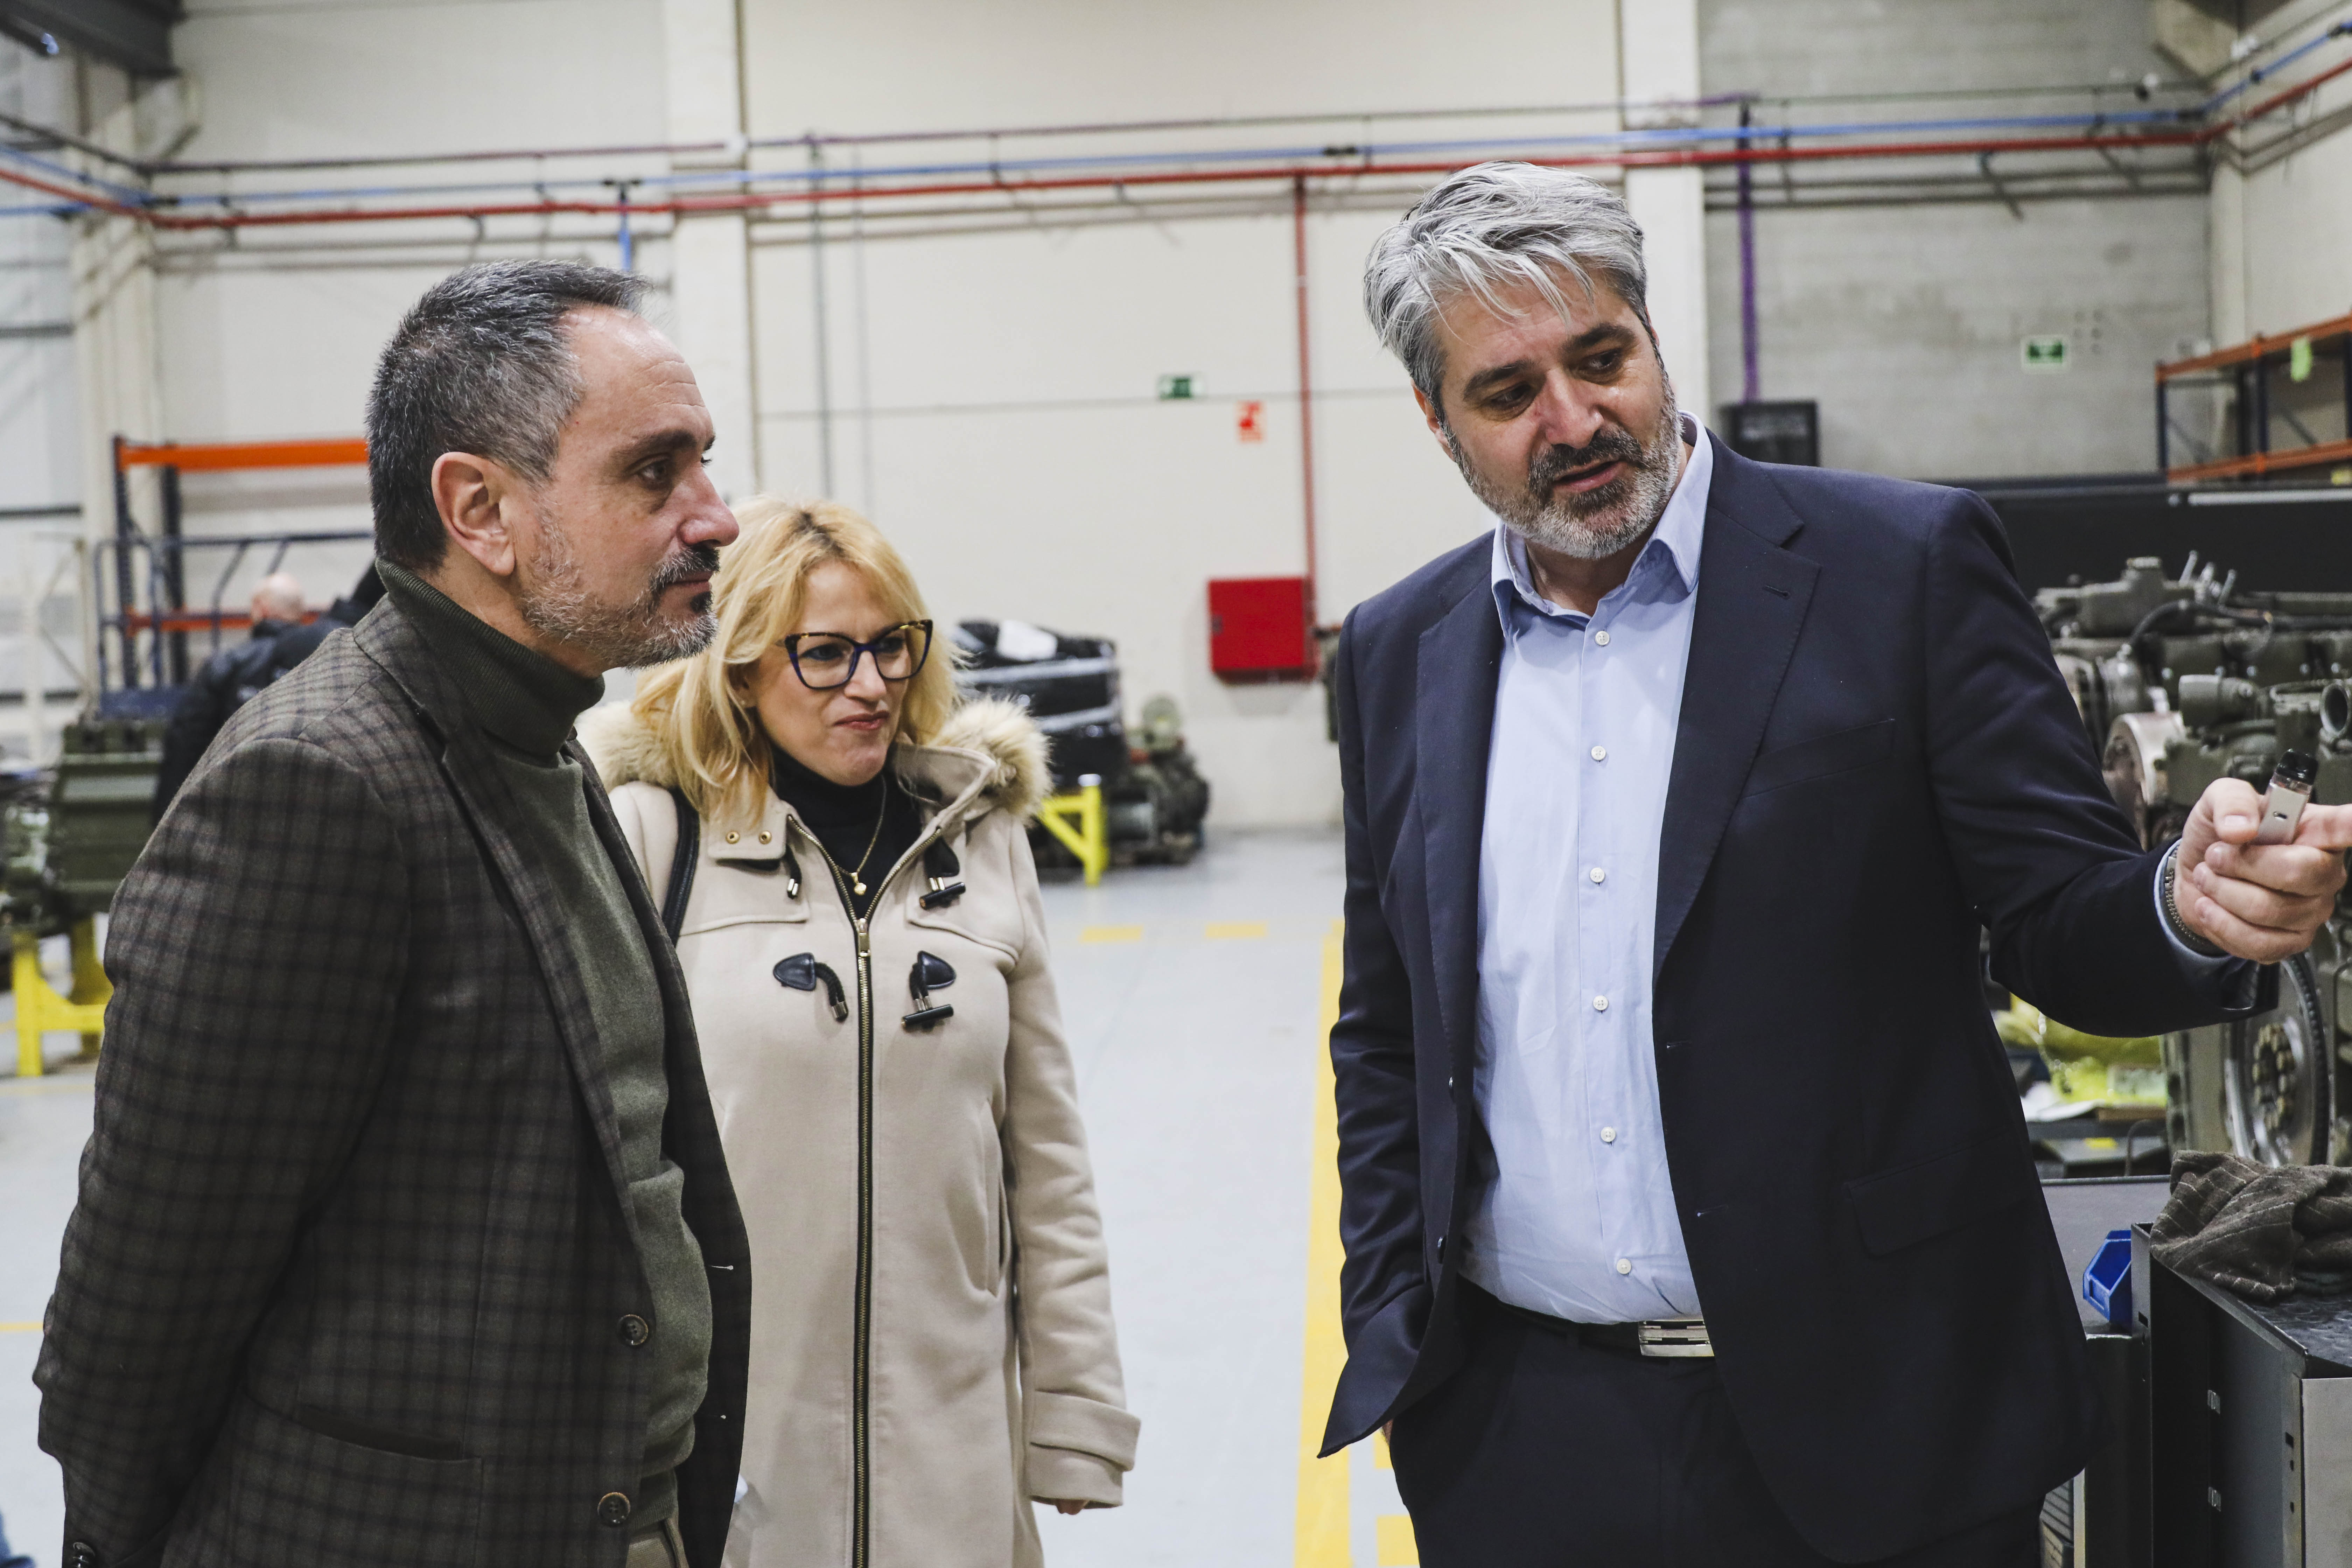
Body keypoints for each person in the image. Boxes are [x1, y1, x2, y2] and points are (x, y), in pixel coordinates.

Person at [1321, 163, 2352, 1567]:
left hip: (1882, 1422)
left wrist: (2187, 906)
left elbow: (2057, 912)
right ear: (1438, 420)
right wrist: (1398, 1320)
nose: (1575, 420)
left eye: (1601, 358)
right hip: (1523, 1441)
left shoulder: (1898, 567)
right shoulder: (1403, 651)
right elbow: (1390, 1031)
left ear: (1651, 337)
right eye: (1508, 393)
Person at [38, 260, 751, 1568]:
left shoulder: (537, 740)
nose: (715, 517)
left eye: (703, 464)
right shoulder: (320, 785)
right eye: (656, 473)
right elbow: (143, 1297)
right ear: (481, 510)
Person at [582, 497, 1138, 1568]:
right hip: (732, 1453)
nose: (871, 684)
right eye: (826, 654)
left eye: (891, 646)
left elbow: (1047, 1159)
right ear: (742, 665)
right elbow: (597, 1163)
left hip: (954, 1448)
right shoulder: (654, 835)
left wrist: (1075, 1408)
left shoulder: (981, 839)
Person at [150, 570, 307, 817]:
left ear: (261, 608)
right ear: (299, 613)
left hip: (235, 806)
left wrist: (166, 811)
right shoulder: (316, 664)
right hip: (301, 804)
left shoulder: (228, 664)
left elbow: (188, 738)